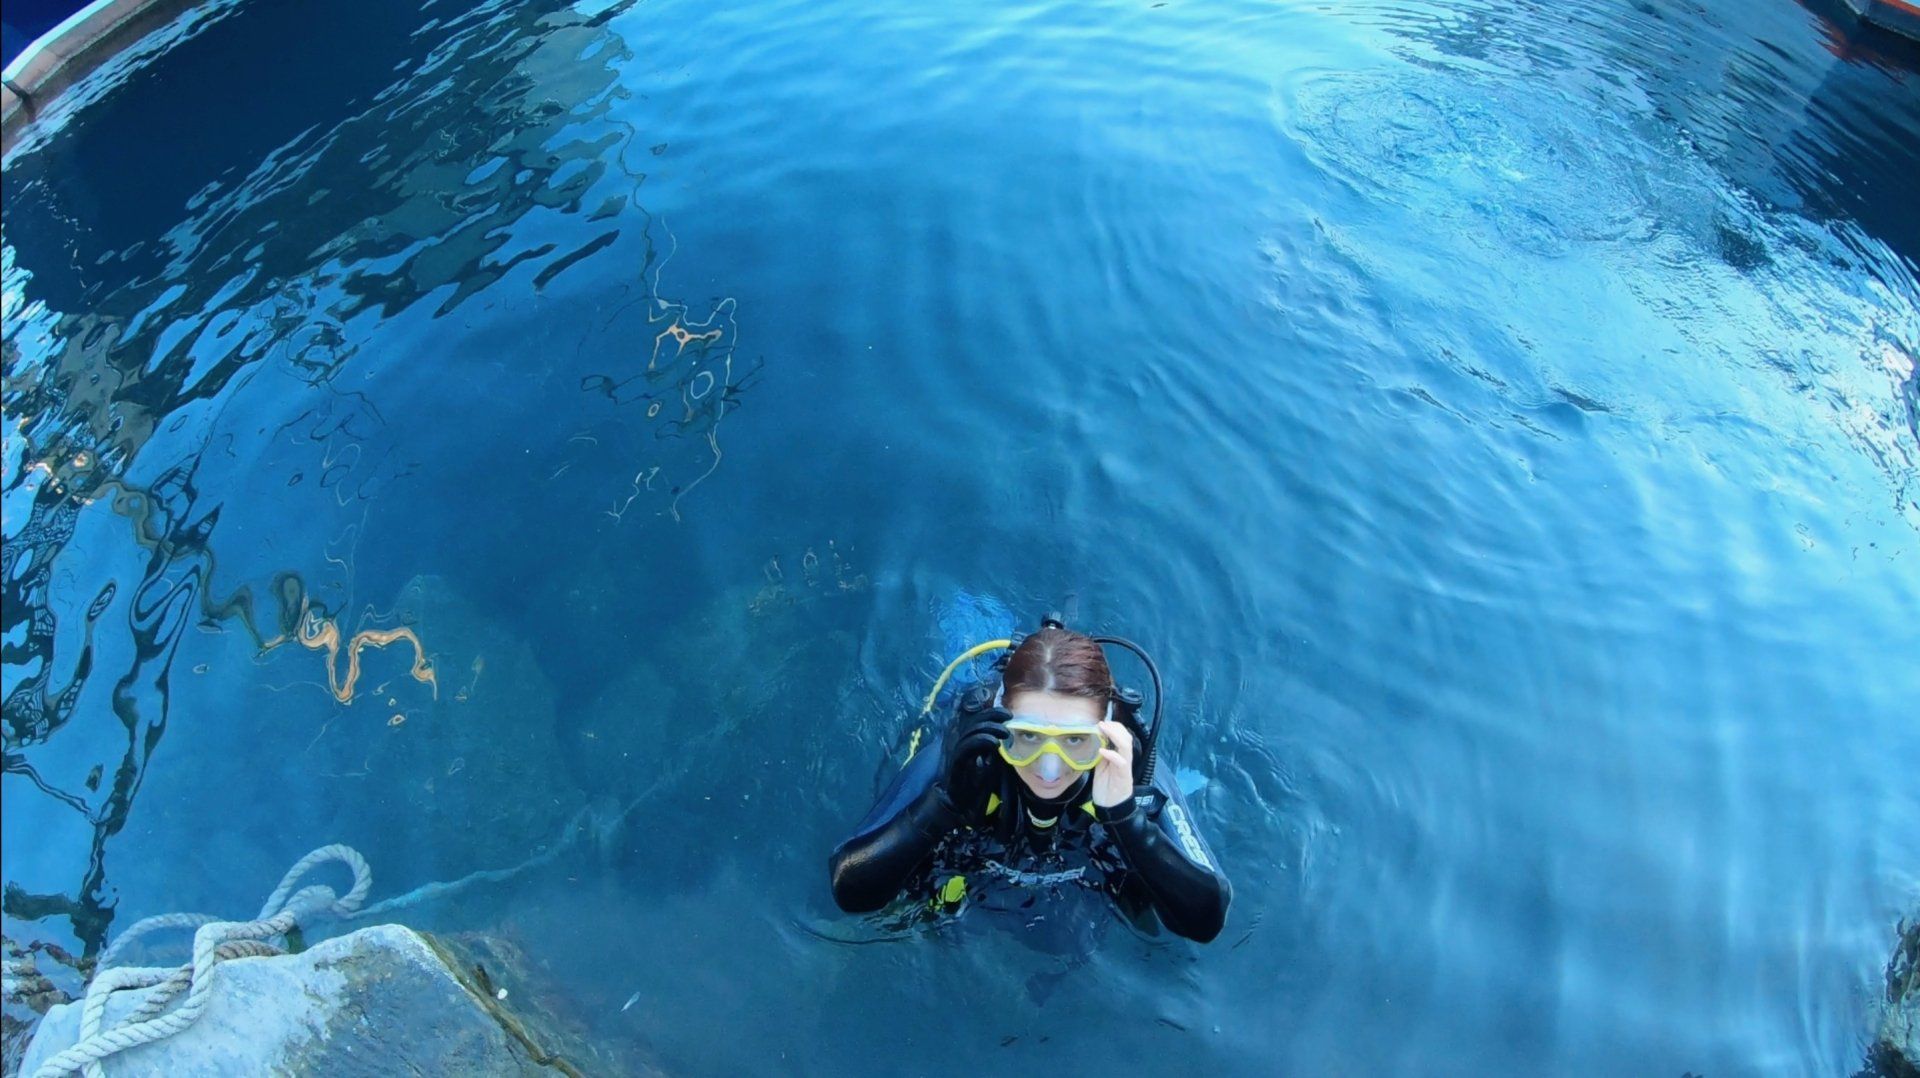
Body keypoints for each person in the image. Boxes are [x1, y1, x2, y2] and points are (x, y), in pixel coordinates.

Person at [827, 617, 1231, 943]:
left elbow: (1205, 920)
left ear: (1106, 730)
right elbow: (850, 890)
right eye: (1028, 737)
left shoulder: (1129, 767)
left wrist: (1128, 821)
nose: (1049, 769)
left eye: (1076, 740)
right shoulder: (964, 758)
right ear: (1001, 721)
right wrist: (943, 805)